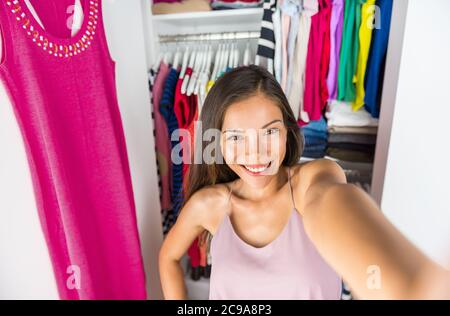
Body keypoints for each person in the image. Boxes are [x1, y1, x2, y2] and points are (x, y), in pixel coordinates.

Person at [159, 65, 450, 300]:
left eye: (269, 133)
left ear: (287, 132)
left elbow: (331, 200)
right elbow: (168, 258)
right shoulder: (209, 205)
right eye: (236, 138)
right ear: (218, 141)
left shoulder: (311, 181)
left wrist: (407, 286)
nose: (256, 153)